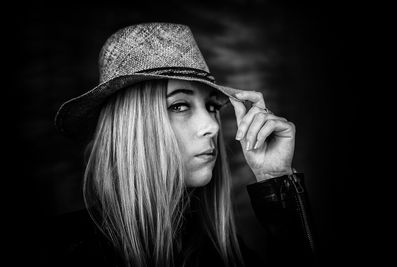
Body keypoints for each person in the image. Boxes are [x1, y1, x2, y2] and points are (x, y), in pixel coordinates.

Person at [52, 22, 317, 267]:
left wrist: (275, 179)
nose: (213, 127)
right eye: (179, 105)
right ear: (132, 127)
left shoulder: (223, 253)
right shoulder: (68, 251)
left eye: (212, 106)